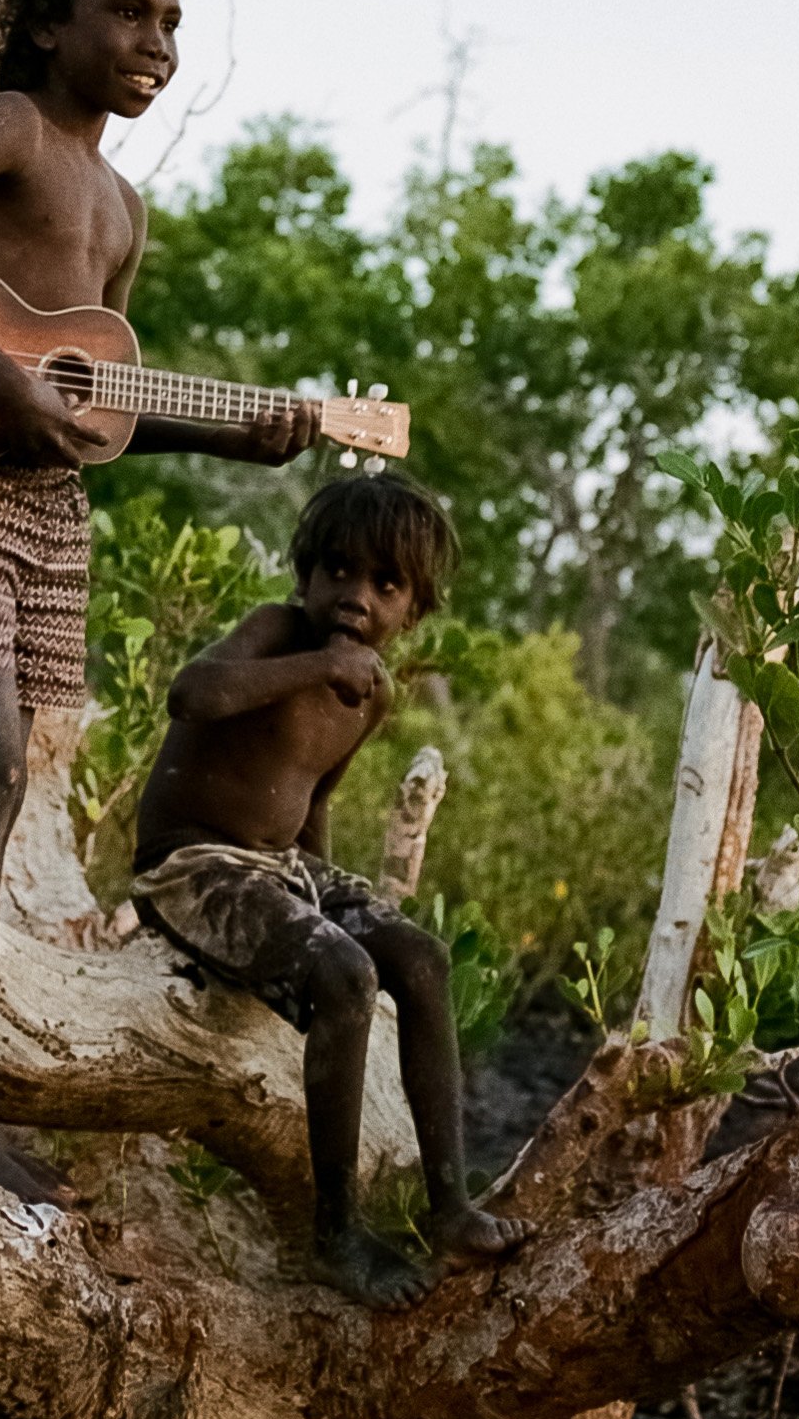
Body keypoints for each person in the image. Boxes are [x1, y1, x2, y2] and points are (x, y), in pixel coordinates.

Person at [0, 0, 322, 1204]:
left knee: (6, 773)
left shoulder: (122, 206)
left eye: (169, 20)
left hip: (43, 510)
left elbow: (86, 410)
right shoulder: (9, 130)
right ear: (45, 19)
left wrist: (234, 439)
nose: (153, 40)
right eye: (125, 9)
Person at [132, 472, 524, 1304]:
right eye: (339, 572)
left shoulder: (369, 694)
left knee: (419, 958)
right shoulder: (278, 633)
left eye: (385, 585)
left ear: (412, 612)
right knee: (346, 977)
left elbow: (313, 804)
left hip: (280, 866)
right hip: (192, 864)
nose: (356, 596)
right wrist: (319, 662)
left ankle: (450, 1203)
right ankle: (335, 1233)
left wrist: (324, 903)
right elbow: (192, 694)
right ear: (305, 576)